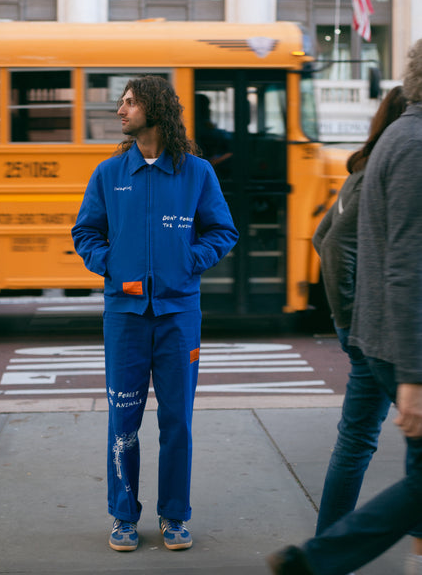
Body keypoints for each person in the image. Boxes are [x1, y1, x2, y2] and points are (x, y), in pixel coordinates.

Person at [267, 39, 422, 575]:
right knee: (380, 447)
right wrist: (350, 320)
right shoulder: (405, 151)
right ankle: (322, 556)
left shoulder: (376, 155)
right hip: (390, 339)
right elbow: (334, 243)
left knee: (369, 445)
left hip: (378, 334)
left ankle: (323, 552)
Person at [72, 75, 238, 554]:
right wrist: (112, 266)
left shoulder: (197, 174)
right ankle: (123, 517)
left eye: (129, 103)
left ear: (155, 110)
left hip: (178, 315)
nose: (121, 111)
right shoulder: (109, 174)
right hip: (124, 316)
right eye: (121, 103)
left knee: (177, 421)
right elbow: (85, 233)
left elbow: (222, 232)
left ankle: (174, 515)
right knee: (123, 421)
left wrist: (188, 263)